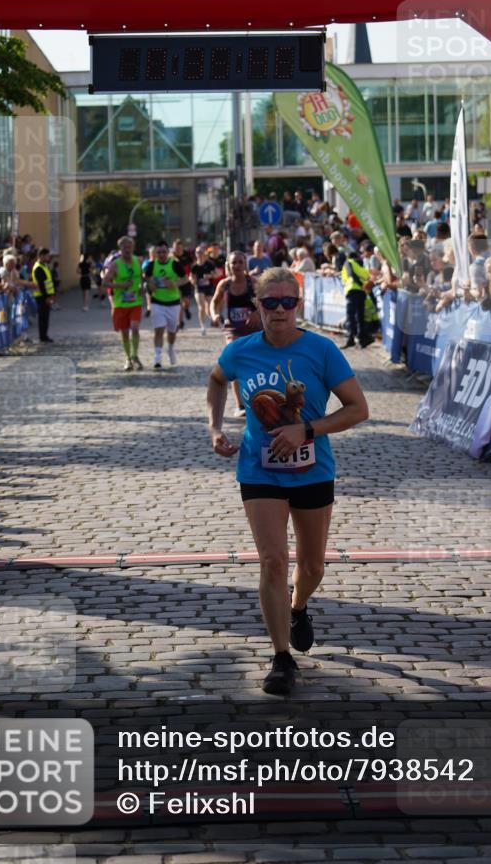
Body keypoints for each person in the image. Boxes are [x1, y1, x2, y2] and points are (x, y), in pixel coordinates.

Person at [206, 267, 369, 696]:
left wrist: (308, 429)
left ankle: (298, 607)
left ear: (299, 305)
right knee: (273, 560)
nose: (279, 311)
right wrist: (216, 427)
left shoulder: (321, 350)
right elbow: (217, 380)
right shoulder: (241, 351)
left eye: (288, 302)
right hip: (258, 470)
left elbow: (358, 408)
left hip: (312, 469)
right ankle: (281, 657)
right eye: (270, 303)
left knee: (312, 566)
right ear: (256, 306)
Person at [210, 250, 262, 415]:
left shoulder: (252, 282)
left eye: (240, 262)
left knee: (254, 364)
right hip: (232, 329)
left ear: (245, 264)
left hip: (252, 329)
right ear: (229, 265)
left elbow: (265, 302)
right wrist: (214, 314)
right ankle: (240, 406)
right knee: (235, 360)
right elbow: (214, 302)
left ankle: (258, 399)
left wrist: (256, 312)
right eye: (234, 263)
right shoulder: (224, 284)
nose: (237, 266)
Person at [144, 238, 187, 368]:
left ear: (168, 252)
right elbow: (146, 279)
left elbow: (185, 279)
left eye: (164, 252)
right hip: (157, 302)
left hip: (173, 303)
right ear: (156, 253)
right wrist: (150, 285)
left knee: (172, 331)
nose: (161, 254)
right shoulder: (151, 265)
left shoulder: (174, 264)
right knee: (159, 330)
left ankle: (171, 349)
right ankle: (157, 358)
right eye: (159, 252)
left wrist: (174, 284)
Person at [103, 236, 145, 371]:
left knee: (135, 328)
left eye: (129, 247)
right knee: (125, 333)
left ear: (133, 248)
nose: (127, 250)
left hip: (135, 302)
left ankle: (135, 355)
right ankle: (128, 359)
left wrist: (142, 288)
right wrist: (121, 285)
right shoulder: (115, 265)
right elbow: (105, 282)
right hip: (120, 303)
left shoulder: (138, 261)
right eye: (124, 247)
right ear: (120, 249)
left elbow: (142, 278)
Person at [340, 249, 371, 349]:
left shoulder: (348, 262)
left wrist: (360, 285)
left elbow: (351, 275)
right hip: (361, 293)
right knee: (360, 316)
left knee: (351, 316)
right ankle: (362, 340)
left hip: (352, 290)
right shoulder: (361, 267)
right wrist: (363, 286)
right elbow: (366, 277)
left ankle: (350, 339)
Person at [31, 247, 55, 343]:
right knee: (43, 318)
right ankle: (43, 336)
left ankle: (44, 335)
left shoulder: (44, 266)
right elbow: (41, 285)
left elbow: (48, 282)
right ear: (40, 256)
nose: (48, 257)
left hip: (46, 295)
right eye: (46, 255)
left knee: (45, 317)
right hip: (41, 296)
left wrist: (52, 295)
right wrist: (47, 297)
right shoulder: (38, 268)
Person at [190, 244, 215, 333]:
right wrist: (192, 280)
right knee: (201, 307)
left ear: (204, 253)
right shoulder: (194, 266)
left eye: (201, 252)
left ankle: (212, 318)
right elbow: (191, 277)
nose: (199, 254)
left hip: (209, 287)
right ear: (195, 254)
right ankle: (202, 326)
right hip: (199, 287)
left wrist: (210, 276)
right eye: (197, 252)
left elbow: (217, 274)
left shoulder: (209, 264)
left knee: (208, 306)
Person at [172, 238, 194, 329]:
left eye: (180, 248)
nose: (178, 250)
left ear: (182, 248)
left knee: (187, 301)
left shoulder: (187, 255)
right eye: (176, 248)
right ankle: (180, 322)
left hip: (186, 280)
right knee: (179, 303)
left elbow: (193, 265)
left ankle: (186, 308)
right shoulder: (171, 256)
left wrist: (192, 276)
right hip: (177, 281)